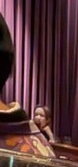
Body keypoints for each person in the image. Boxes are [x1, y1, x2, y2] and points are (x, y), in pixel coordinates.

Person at [0, 13, 52, 159]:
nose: (38, 117)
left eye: (41, 115)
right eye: (37, 114)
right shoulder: (41, 150)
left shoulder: (36, 153)